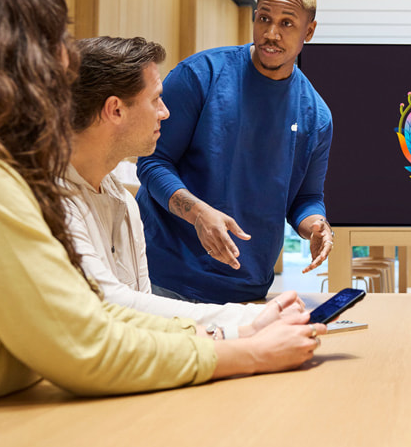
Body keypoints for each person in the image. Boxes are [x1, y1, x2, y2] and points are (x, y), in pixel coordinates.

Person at [0, 0, 325, 408]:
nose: (66, 59)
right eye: (53, 38)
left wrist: (239, 326)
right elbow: (89, 341)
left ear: (307, 31)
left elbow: (102, 315)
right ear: (4, 51)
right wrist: (246, 348)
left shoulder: (33, 179)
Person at [66, 35, 303, 334]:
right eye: (155, 99)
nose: (165, 112)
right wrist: (247, 322)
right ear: (116, 110)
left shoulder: (123, 202)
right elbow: (113, 305)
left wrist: (242, 327)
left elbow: (144, 317)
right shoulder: (53, 204)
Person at [136, 0, 334, 303]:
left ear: (308, 32)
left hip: (246, 287)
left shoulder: (316, 116)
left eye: (287, 23)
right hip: (166, 278)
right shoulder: (200, 74)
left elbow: (306, 197)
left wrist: (315, 224)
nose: (271, 33)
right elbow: (153, 162)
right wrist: (198, 213)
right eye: (264, 18)